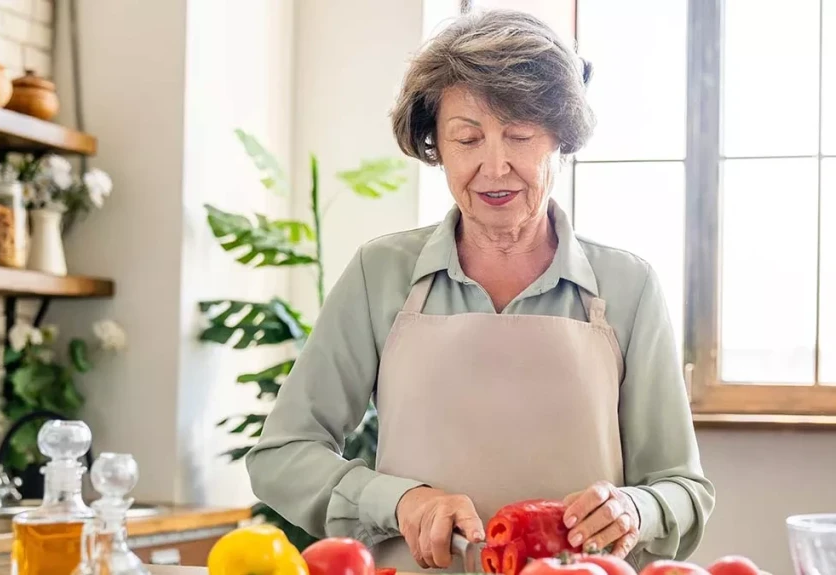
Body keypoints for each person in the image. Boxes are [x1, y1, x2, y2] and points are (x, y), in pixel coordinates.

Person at [245, 8, 715, 573]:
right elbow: (283, 454)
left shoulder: (628, 286)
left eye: (520, 136)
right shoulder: (381, 273)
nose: (495, 166)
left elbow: (683, 488)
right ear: (436, 147)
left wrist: (633, 508)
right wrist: (398, 500)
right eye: (467, 138)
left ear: (561, 138)